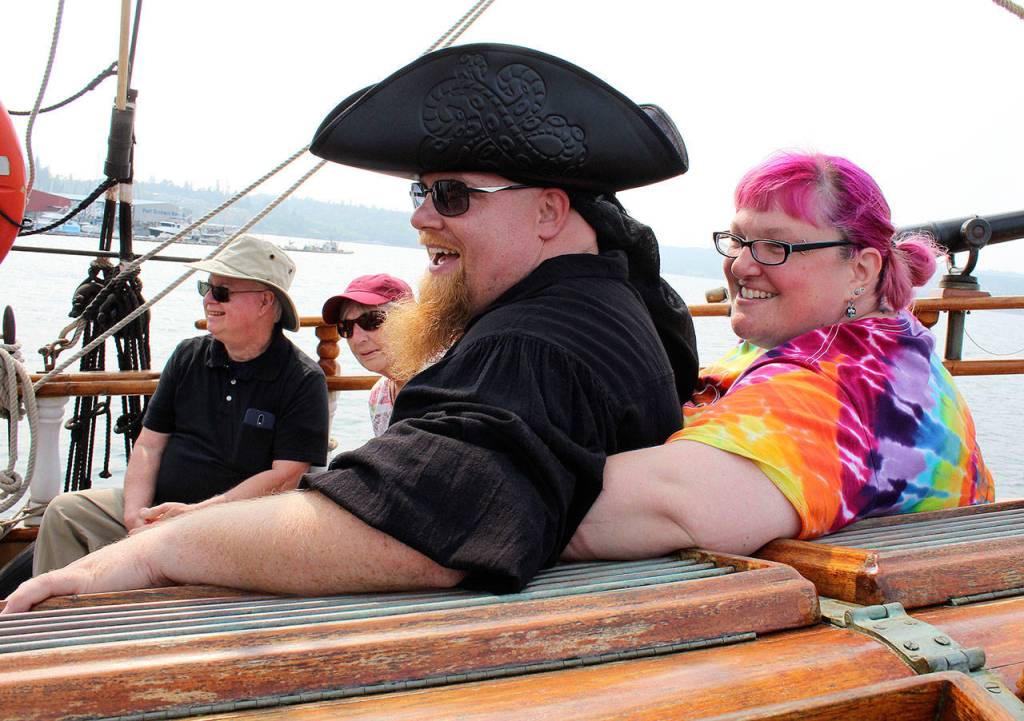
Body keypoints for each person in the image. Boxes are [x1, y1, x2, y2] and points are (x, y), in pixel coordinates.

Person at [4, 43, 698, 610]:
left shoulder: (536, 343)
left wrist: (156, 551)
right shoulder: (608, 309)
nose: (422, 217)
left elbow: (411, 530)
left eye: (451, 194)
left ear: (548, 213)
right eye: (420, 191)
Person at [564, 151, 994, 563]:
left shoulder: (841, 384)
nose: (741, 266)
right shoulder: (878, 340)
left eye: (775, 246)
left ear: (861, 271)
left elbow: (655, 504)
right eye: (738, 240)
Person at [31, 235, 330, 575]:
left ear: (264, 302)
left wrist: (196, 514)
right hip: (159, 511)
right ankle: (53, 623)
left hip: (234, 526)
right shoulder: (188, 356)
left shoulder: (302, 379)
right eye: (206, 287)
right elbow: (148, 445)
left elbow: (285, 476)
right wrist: (135, 516)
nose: (208, 300)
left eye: (222, 292)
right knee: (66, 512)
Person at [321, 274, 414, 436]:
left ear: (410, 321)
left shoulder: (444, 378)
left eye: (372, 321)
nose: (357, 339)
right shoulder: (379, 396)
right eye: (346, 327)